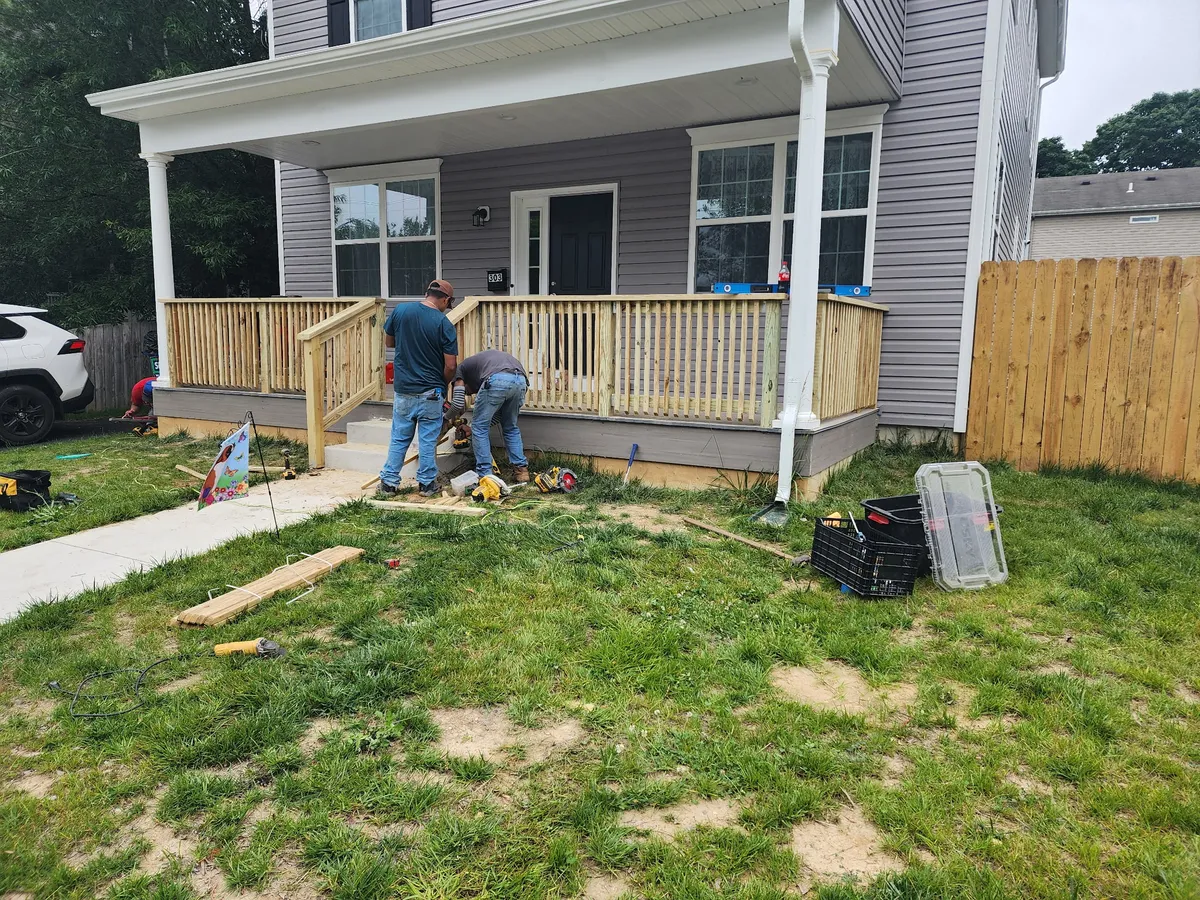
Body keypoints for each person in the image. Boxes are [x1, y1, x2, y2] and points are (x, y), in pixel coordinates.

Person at [378, 280, 459, 497]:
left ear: (427, 293)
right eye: (448, 304)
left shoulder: (401, 310)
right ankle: (427, 485)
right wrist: (442, 384)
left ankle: (388, 484)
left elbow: (389, 342)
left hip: (403, 389)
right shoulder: (444, 324)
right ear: (445, 300)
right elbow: (451, 365)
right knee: (427, 439)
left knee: (399, 437)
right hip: (431, 393)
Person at [448, 350, 530, 484]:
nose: (471, 394)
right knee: (510, 427)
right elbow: (499, 416)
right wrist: (471, 428)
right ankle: (521, 471)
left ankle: (485, 474)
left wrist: (446, 418)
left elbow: (457, 402)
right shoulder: (483, 365)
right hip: (520, 380)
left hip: (497, 378)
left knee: (480, 428)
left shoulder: (460, 370)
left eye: (468, 392)